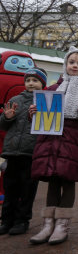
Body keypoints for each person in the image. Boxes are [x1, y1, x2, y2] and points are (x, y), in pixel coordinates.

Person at [29, 47, 78, 245]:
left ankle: (62, 225)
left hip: (72, 142)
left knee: (67, 181)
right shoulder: (51, 89)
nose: (75, 66)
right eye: (72, 62)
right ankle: (47, 224)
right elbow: (40, 118)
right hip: (50, 142)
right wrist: (33, 113)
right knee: (52, 180)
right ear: (65, 65)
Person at [0, 68, 47, 235]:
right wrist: (7, 116)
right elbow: (3, 125)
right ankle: (6, 221)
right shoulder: (15, 99)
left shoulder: (45, 101)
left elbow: (48, 126)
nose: (31, 83)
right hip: (12, 152)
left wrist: (36, 116)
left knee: (27, 189)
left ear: (43, 84)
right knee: (10, 188)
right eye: (28, 80)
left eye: (35, 80)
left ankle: (22, 221)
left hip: (31, 152)